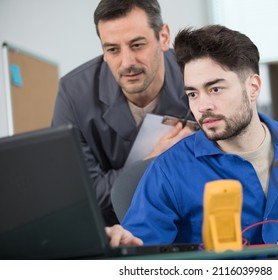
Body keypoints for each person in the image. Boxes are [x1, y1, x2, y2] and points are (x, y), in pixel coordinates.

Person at [107, 25, 278, 247]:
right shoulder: (168, 172)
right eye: (193, 93)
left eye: (215, 89)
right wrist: (122, 244)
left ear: (253, 87)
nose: (202, 106)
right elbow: (138, 252)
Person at [51, 0, 194, 226]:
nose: (127, 63)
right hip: (116, 234)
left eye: (137, 45)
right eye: (113, 49)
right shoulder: (73, 94)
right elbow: (79, 197)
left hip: (190, 225)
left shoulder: (198, 76)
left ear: (164, 37)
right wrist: (151, 162)